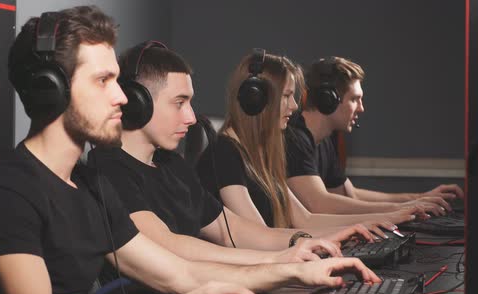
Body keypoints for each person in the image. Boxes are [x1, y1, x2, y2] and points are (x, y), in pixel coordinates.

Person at [0, 7, 380, 294]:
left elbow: (178, 272)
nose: (121, 97)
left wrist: (293, 268)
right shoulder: (8, 191)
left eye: (118, 79)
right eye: (102, 81)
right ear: (49, 92)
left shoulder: (86, 185)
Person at [87, 41, 388, 275]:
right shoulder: (108, 170)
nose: (191, 117)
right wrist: (279, 259)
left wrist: (309, 241)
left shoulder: (172, 166)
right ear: (137, 103)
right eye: (179, 103)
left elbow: (233, 230)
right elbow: (170, 246)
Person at [195, 51, 423, 236]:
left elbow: (305, 219)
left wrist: (377, 220)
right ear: (256, 100)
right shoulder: (225, 153)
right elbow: (260, 235)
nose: (294, 106)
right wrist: (337, 235)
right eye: (286, 96)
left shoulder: (261, 154)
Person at [283, 56, 463, 215]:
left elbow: (348, 195)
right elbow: (319, 204)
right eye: (354, 99)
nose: (361, 108)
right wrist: (402, 208)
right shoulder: (294, 138)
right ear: (327, 99)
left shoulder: (325, 139)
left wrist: (418, 198)